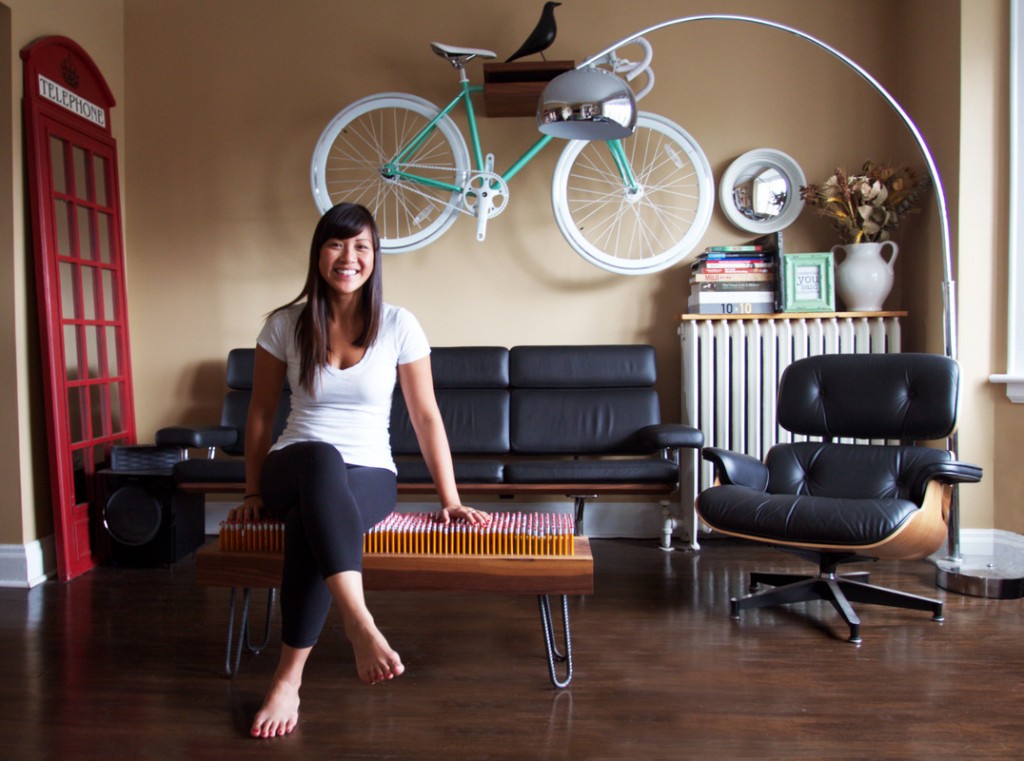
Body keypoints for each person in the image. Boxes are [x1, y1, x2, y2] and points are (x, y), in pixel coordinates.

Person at [227, 202, 488, 739]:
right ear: (319, 253)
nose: (349, 257)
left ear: (375, 257)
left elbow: (425, 416)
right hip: (293, 464)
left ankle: (287, 679)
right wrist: (252, 489)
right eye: (337, 244)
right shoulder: (284, 324)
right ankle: (359, 621)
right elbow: (259, 413)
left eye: (362, 247)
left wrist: (450, 499)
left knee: (310, 522)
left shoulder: (399, 324)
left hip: (369, 475)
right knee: (322, 458)